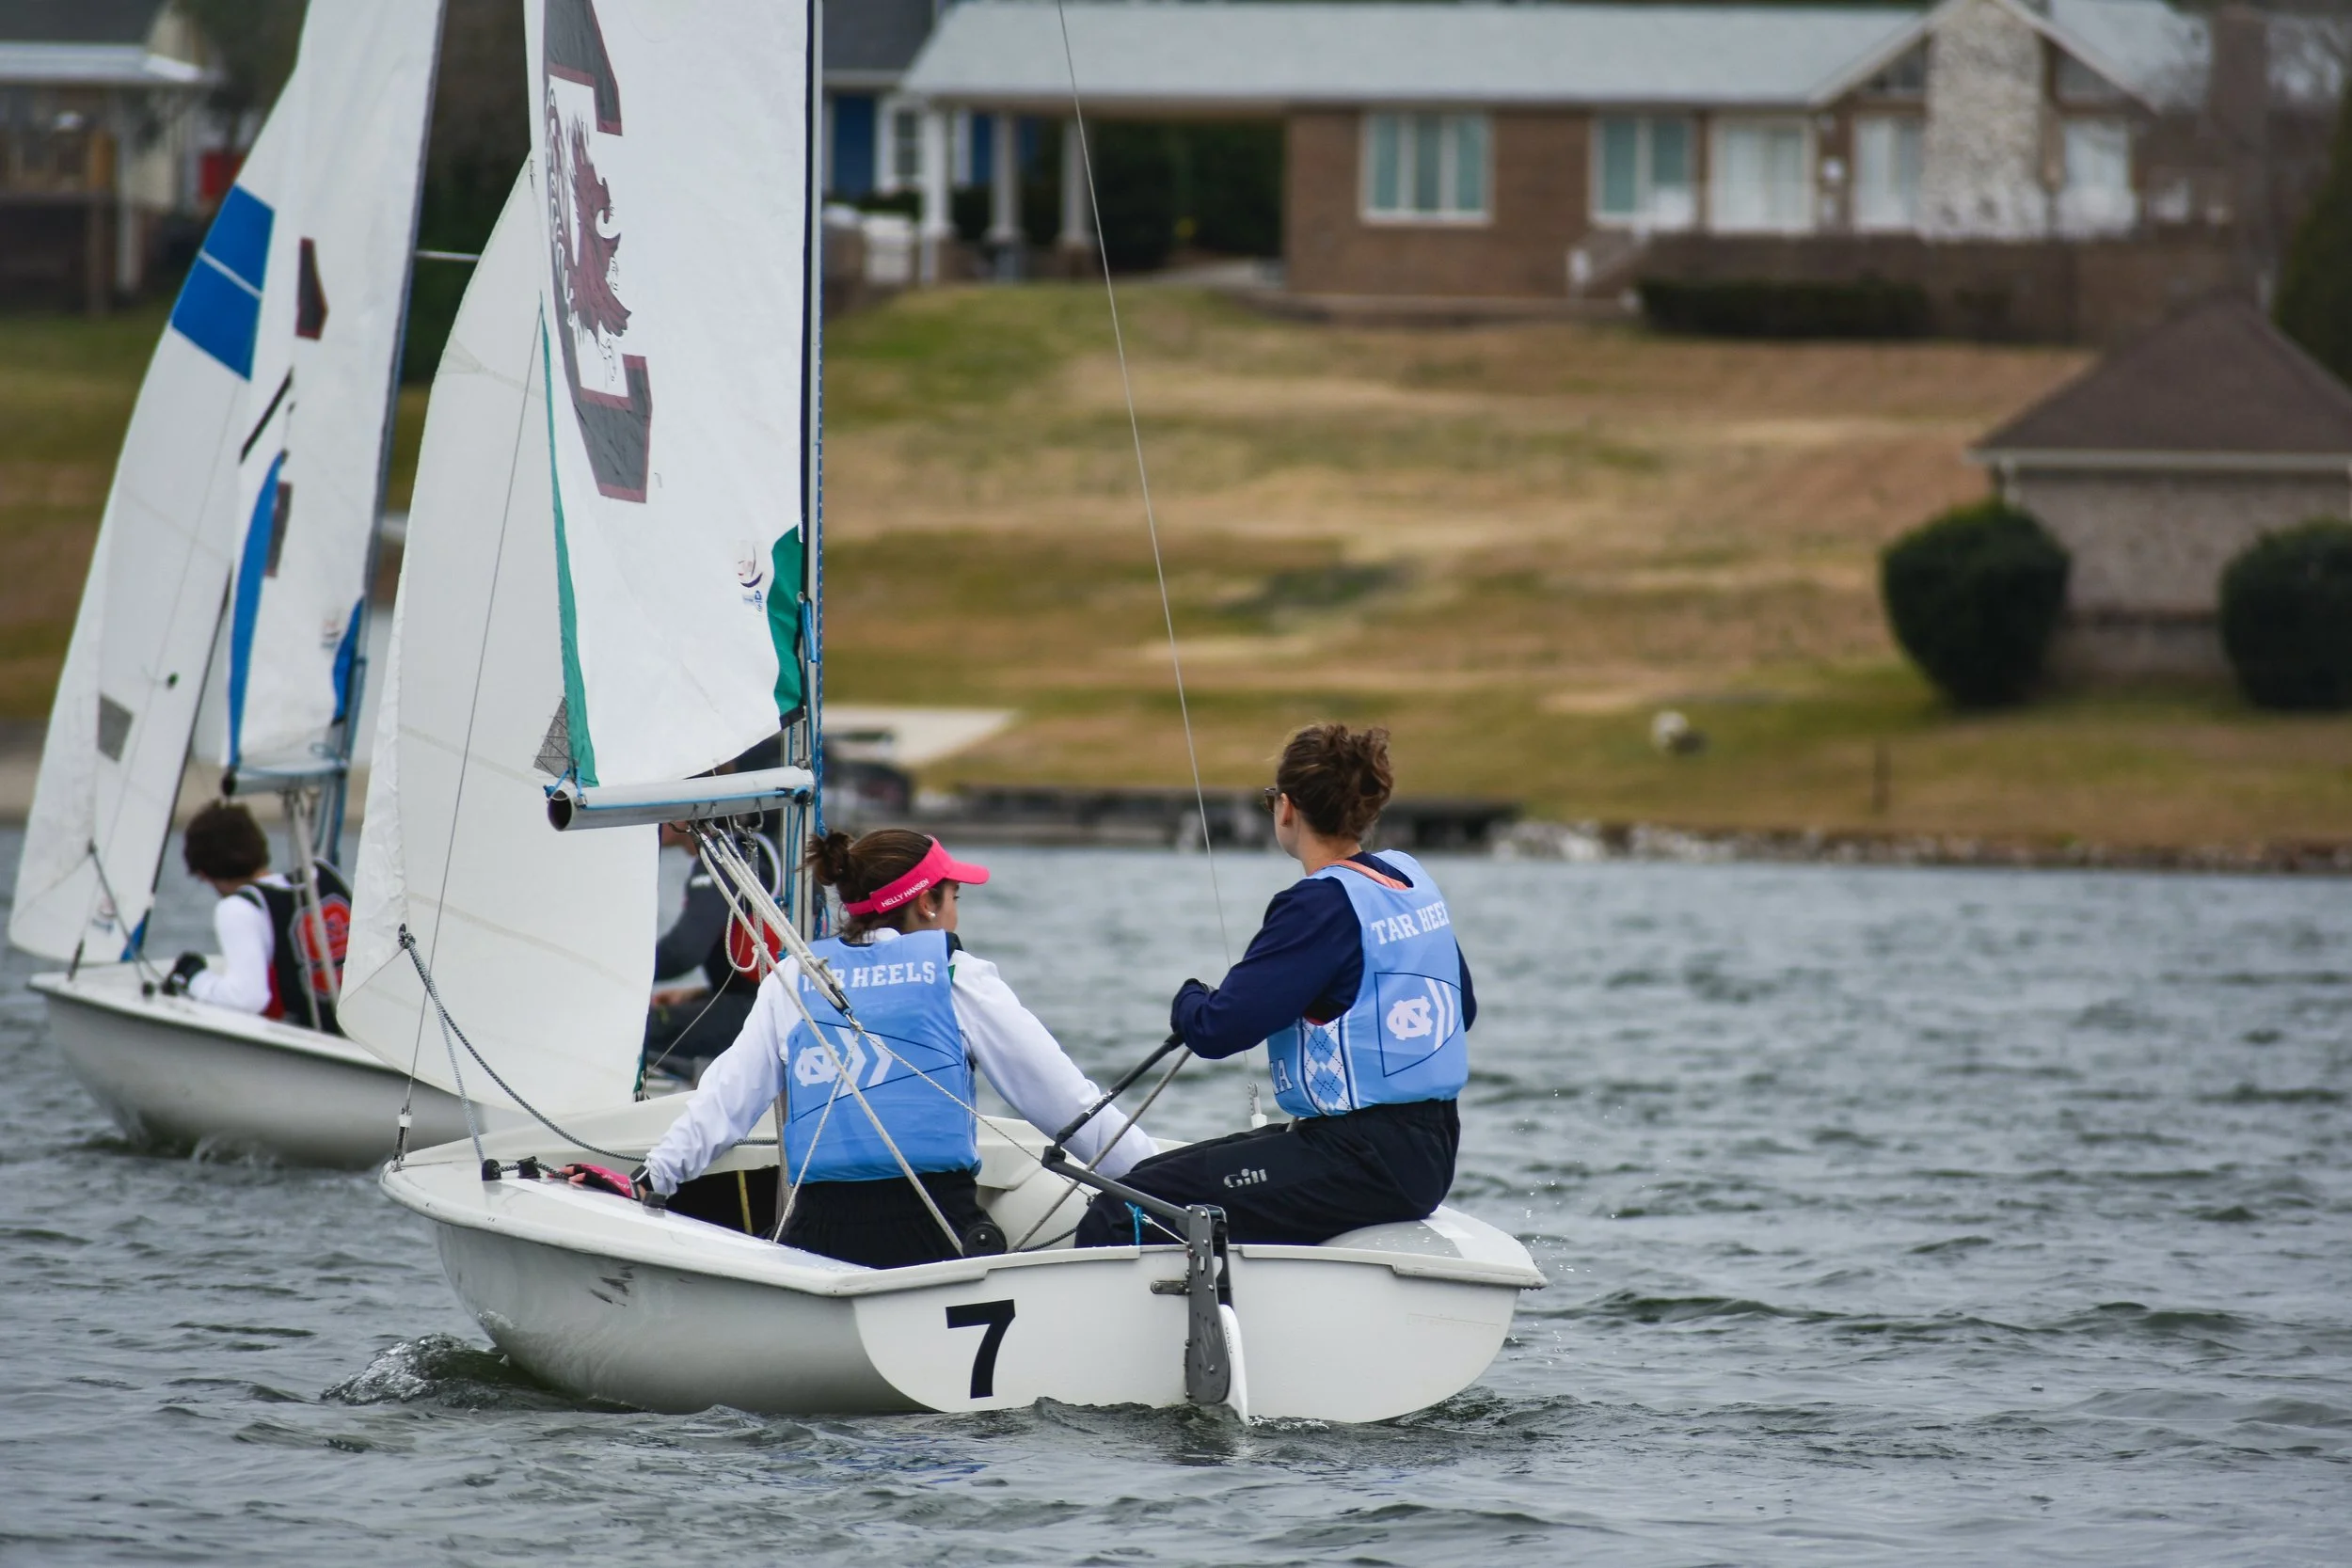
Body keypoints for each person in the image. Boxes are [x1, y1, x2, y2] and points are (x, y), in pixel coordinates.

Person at [633, 828, 1158, 1269]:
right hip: (935, 1235)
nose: (955, 913)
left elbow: (724, 1102)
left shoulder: (794, 978)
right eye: (955, 898)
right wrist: (1158, 1179)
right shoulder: (958, 977)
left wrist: (653, 1177)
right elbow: (1065, 1103)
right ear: (927, 903)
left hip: (818, 1239)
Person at [1074, 723, 1473, 1249]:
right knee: (1140, 1181)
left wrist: (1189, 996)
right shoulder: (1407, 879)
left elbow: (1217, 1031)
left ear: (1287, 808)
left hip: (1360, 1160)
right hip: (1431, 1148)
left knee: (1121, 1210)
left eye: (1271, 800)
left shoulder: (1317, 905)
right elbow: (1463, 1008)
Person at [161, 800, 350, 1035]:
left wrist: (193, 977)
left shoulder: (239, 907)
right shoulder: (325, 875)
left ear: (204, 874)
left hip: (320, 1041)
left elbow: (247, 999)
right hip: (369, 1033)